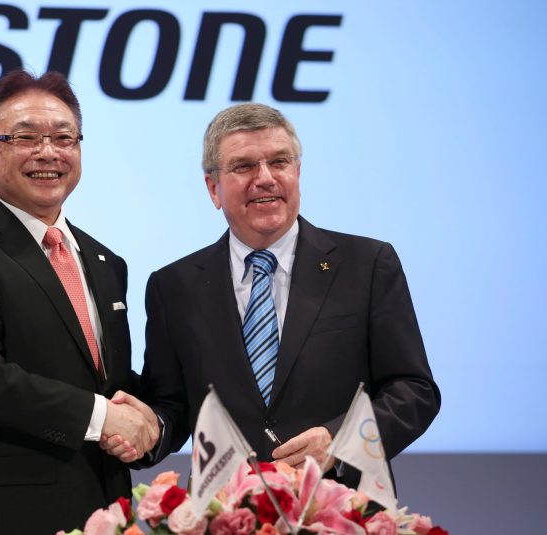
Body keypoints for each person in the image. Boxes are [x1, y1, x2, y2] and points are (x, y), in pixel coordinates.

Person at [125, 103, 440, 491]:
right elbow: (174, 407)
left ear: (297, 173)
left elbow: (414, 391)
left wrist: (343, 442)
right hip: (224, 515)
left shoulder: (368, 265)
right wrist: (145, 428)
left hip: (342, 509)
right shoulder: (173, 287)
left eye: (279, 162)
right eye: (243, 167)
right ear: (213, 188)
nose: (266, 178)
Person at [0, 69, 158, 535]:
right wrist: (106, 418)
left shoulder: (107, 261)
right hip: (1, 517)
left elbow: (113, 384)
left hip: (105, 513)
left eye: (64, 138)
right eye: (26, 137)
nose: (48, 152)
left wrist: (152, 424)